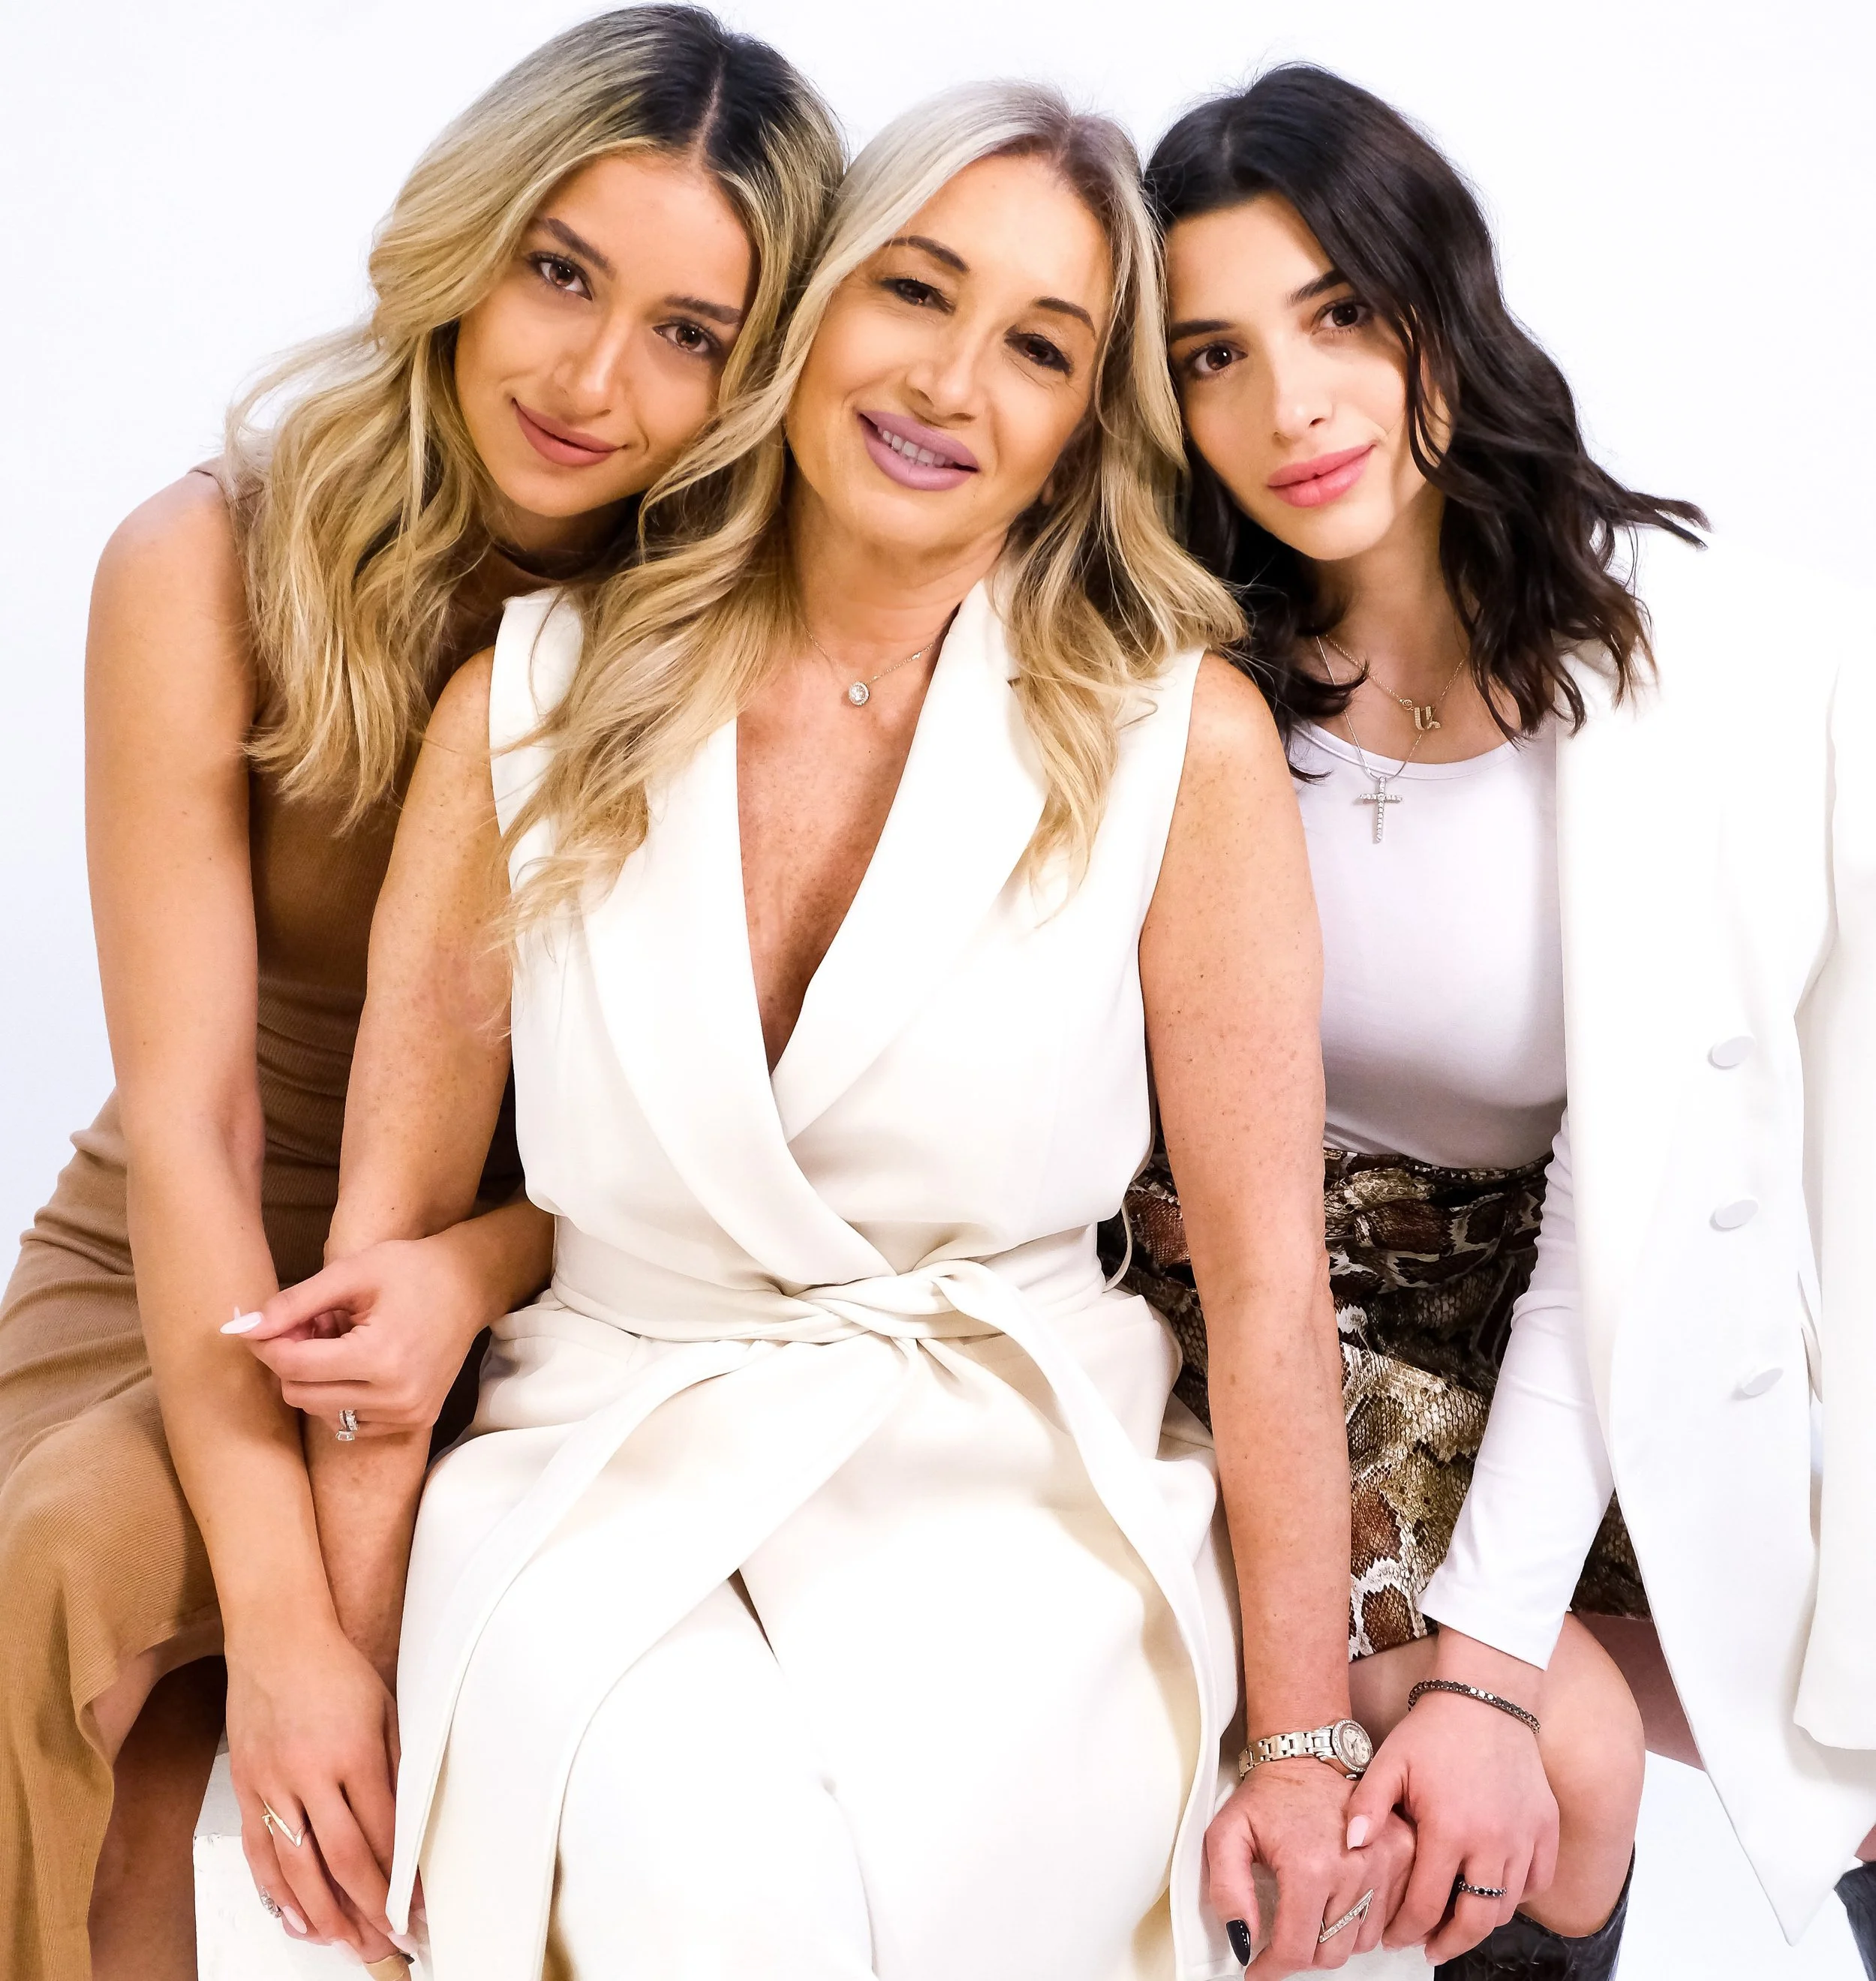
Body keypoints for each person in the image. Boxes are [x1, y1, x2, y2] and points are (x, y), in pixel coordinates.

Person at [234, 79, 1421, 1981]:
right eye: (912, 292)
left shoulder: (1172, 743)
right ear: (807, 316)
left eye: (1037, 346)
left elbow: (1271, 1290)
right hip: (596, 1475)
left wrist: (1293, 1744)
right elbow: (374, 1274)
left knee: (1019, 1892)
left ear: (1078, 434)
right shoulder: (525, 703)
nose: (950, 383)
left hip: (1024, 1498)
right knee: (715, 1896)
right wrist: (347, 1687)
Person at [0, 11, 841, 1976]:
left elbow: (768, 1122)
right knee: (86, 1646)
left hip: (549, 1277)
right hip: (178, 1256)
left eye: (690, 330)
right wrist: (288, 1633)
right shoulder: (202, 561)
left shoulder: (749, 638)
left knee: (90, 1586)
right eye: (560, 271)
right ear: (465, 244)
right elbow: (194, 1115)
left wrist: (471, 1267)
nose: (591, 375)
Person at [1123, 60, 1876, 1979]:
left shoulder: (1682, 682)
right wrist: (1475, 1671)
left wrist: (1489, 1628)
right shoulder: (1177, 697)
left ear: (1434, 309)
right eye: (1209, 354)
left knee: (1850, 1748)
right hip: (1263, 1315)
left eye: (1336, 316)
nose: (1284, 405)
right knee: (1567, 1755)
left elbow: (1633, 1202)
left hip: (1570, 1322)